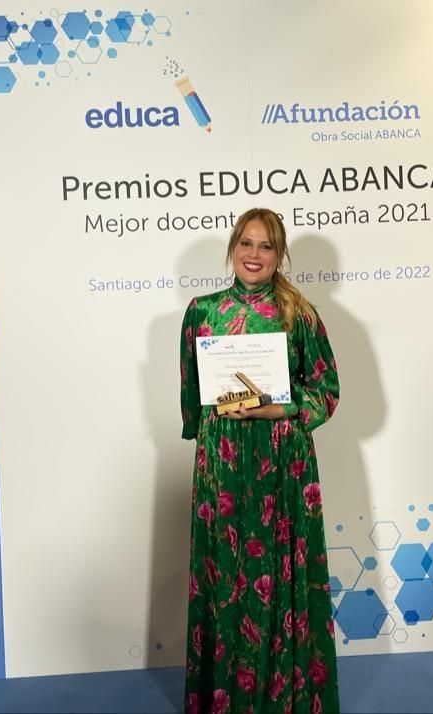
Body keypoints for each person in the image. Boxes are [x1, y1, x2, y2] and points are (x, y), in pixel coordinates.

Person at [179, 208, 341, 713]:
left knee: (278, 572)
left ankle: (282, 697)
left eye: (266, 246)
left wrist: (282, 409)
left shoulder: (300, 314)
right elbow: (192, 393)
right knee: (224, 575)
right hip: (223, 463)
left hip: (283, 459)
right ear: (232, 249)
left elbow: (326, 392)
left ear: (279, 255)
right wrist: (204, 433)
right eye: (246, 244)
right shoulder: (201, 312)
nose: (254, 255)